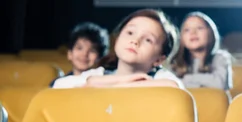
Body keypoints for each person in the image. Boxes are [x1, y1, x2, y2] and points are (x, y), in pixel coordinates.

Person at [52, 9, 183, 89]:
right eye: (130, 33)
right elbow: (59, 86)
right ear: (117, 39)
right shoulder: (100, 74)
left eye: (148, 40)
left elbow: (174, 88)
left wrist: (98, 85)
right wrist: (122, 79)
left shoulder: (161, 77)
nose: (135, 41)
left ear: (159, 60)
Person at [170, 12, 232, 90]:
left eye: (199, 28)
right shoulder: (175, 62)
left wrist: (186, 79)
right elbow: (171, 85)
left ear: (211, 33)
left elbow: (219, 84)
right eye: (187, 30)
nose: (193, 33)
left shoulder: (221, 58)